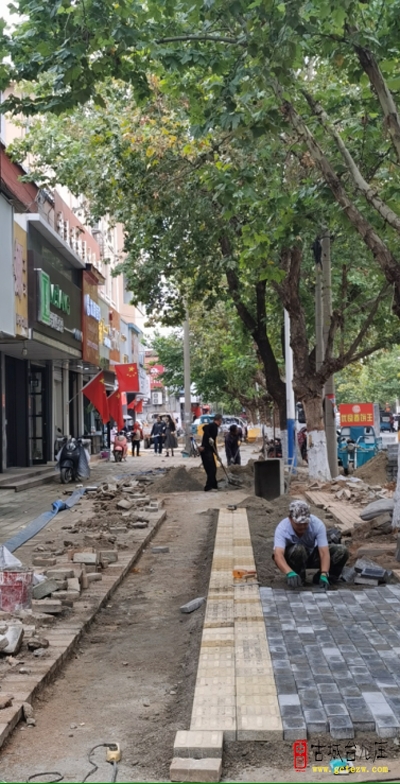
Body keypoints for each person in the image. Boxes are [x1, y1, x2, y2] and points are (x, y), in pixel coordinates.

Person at [273, 500, 349, 590]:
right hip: (293, 558)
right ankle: (297, 578)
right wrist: (289, 572)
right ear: (290, 519)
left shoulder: (317, 525)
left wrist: (324, 573)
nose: (302, 527)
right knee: (298, 549)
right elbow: (278, 555)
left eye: (305, 523)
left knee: (342, 551)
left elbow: (324, 553)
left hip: (312, 555)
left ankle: (324, 579)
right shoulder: (282, 528)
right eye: (299, 524)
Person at [199, 414, 223, 491]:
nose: (221, 423)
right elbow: (204, 427)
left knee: (213, 468)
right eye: (221, 421)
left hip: (209, 450)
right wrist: (209, 437)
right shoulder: (213, 426)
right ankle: (208, 487)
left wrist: (216, 454)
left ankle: (214, 485)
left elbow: (213, 443)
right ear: (219, 420)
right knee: (211, 469)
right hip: (206, 450)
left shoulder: (215, 428)